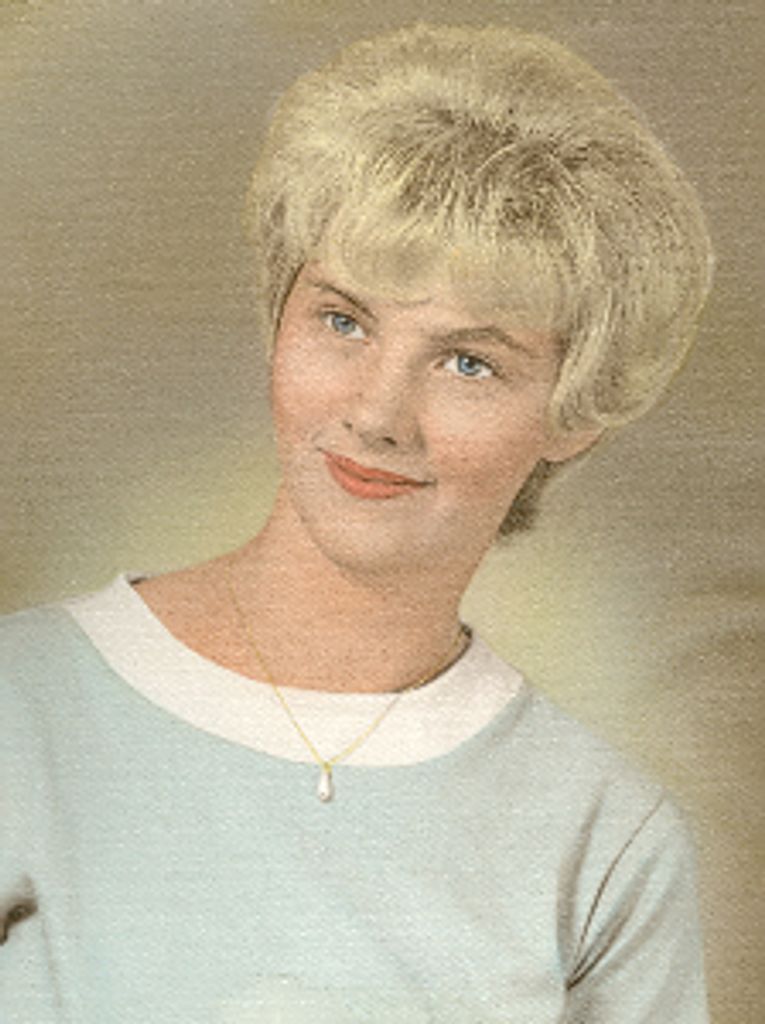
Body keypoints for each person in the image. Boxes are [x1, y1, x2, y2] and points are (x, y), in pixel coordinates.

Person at [0, 22, 713, 1023]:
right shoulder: (21, 708)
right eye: (344, 320)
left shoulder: (605, 844)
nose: (378, 413)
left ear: (575, 414)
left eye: (468, 361)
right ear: (278, 320)